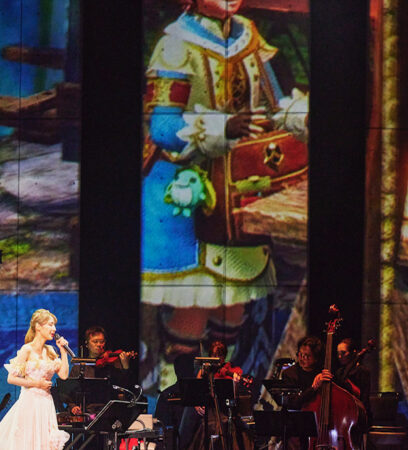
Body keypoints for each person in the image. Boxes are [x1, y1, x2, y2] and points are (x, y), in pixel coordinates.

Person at [140, 0, 309, 393]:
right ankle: (178, 396)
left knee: (232, 307)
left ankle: (218, 396)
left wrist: (300, 118)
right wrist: (222, 127)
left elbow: (278, 100)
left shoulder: (250, 35)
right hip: (185, 196)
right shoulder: (176, 45)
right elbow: (163, 127)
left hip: (242, 186)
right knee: (193, 308)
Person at [0, 309, 71, 450]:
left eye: (54, 325)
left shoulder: (51, 351)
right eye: (50, 324)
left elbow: (64, 375)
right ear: (38, 326)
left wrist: (63, 352)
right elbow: (11, 378)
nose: (54, 329)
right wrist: (37, 384)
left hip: (46, 403)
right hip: (30, 402)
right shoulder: (27, 349)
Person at [277, 336, 330, 410]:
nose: (302, 358)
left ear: (316, 358)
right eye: (300, 354)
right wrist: (313, 387)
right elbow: (293, 402)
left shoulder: (321, 372)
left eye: (307, 356)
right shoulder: (289, 374)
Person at [335, 338, 371, 412]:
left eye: (343, 353)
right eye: (338, 353)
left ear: (353, 352)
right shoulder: (340, 372)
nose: (340, 356)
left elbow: (364, 400)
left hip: (359, 412)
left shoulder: (362, 371)